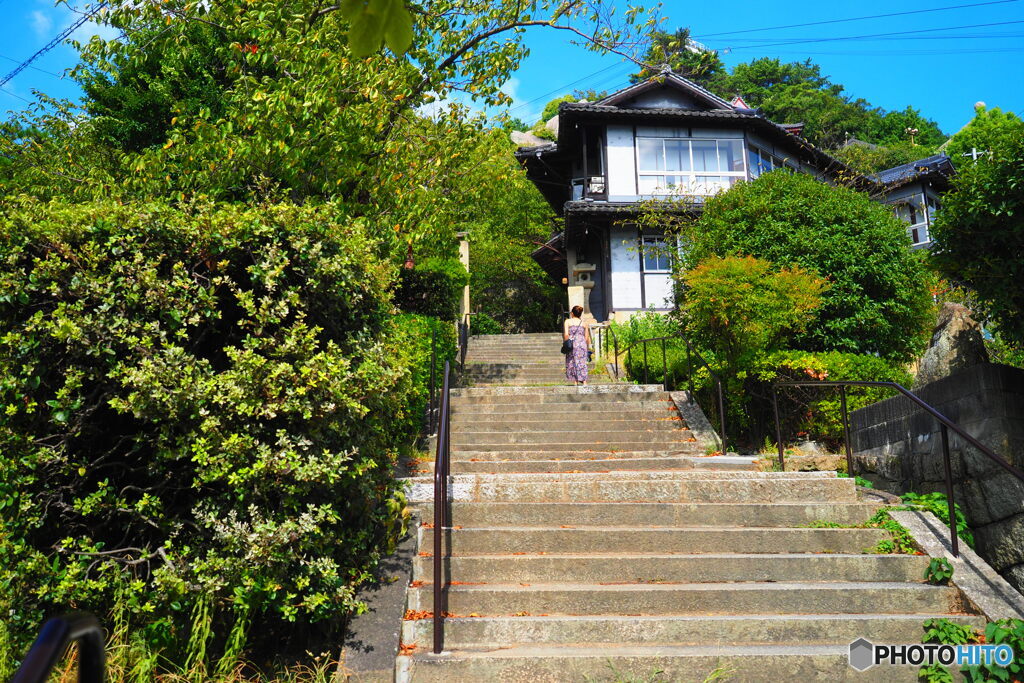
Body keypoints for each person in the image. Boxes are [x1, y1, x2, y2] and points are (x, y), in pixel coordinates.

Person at [563, 305, 591, 386]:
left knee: (572, 361)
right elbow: (586, 337)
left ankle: (575, 381)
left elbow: (566, 334)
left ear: (572, 313)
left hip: (572, 343)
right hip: (582, 344)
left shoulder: (568, 321)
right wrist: (587, 347)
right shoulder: (584, 323)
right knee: (582, 362)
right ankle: (584, 381)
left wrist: (566, 344)